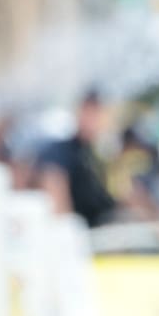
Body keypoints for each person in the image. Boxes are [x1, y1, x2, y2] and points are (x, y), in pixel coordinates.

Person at [36, 88, 118, 228]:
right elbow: (57, 199)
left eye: (97, 114)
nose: (92, 120)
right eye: (88, 113)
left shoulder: (99, 156)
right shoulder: (60, 151)